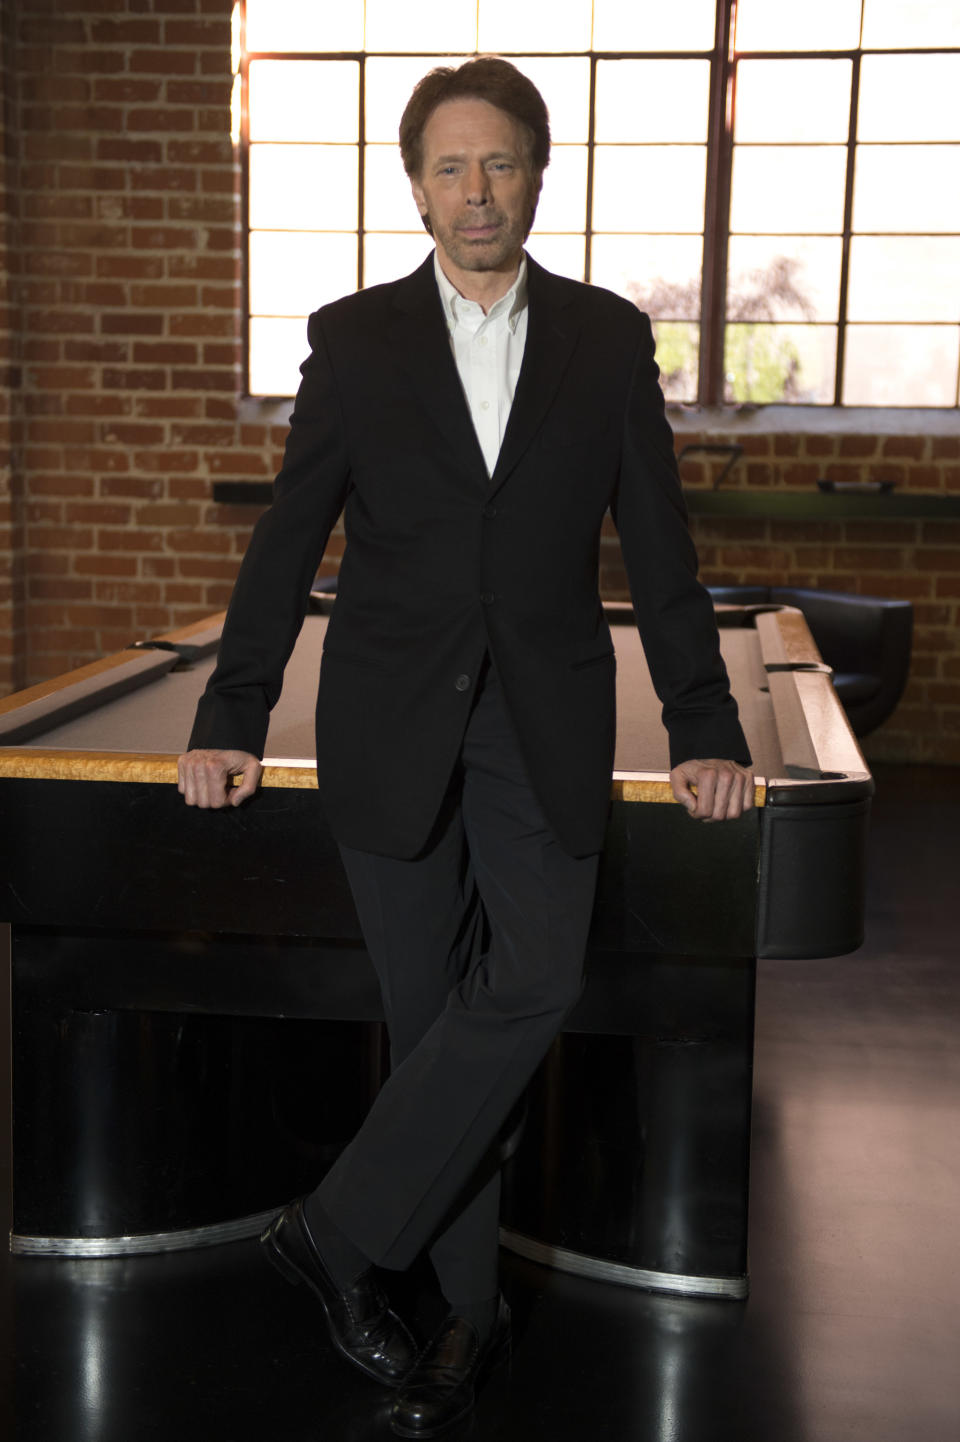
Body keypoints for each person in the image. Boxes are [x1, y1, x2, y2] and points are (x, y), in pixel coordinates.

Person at [178, 56, 754, 1440]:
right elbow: (286, 542)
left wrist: (704, 723)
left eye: (500, 162)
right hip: (387, 722)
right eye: (450, 164)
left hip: (547, 719)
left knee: (533, 985)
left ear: (538, 175)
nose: (475, 189)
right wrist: (229, 712)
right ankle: (463, 1323)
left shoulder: (610, 343)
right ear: (417, 184)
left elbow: (665, 560)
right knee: (442, 1027)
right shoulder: (355, 339)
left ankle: (333, 1229)